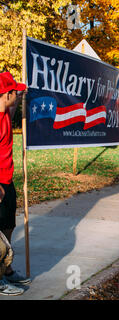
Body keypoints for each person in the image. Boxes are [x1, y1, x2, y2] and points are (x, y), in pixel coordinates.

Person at [0, 71, 30, 296]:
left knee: (8, 226)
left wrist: (23, 94)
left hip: (7, 181)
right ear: (6, 94)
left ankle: (6, 269)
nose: (17, 95)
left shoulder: (5, 114)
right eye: (15, 92)